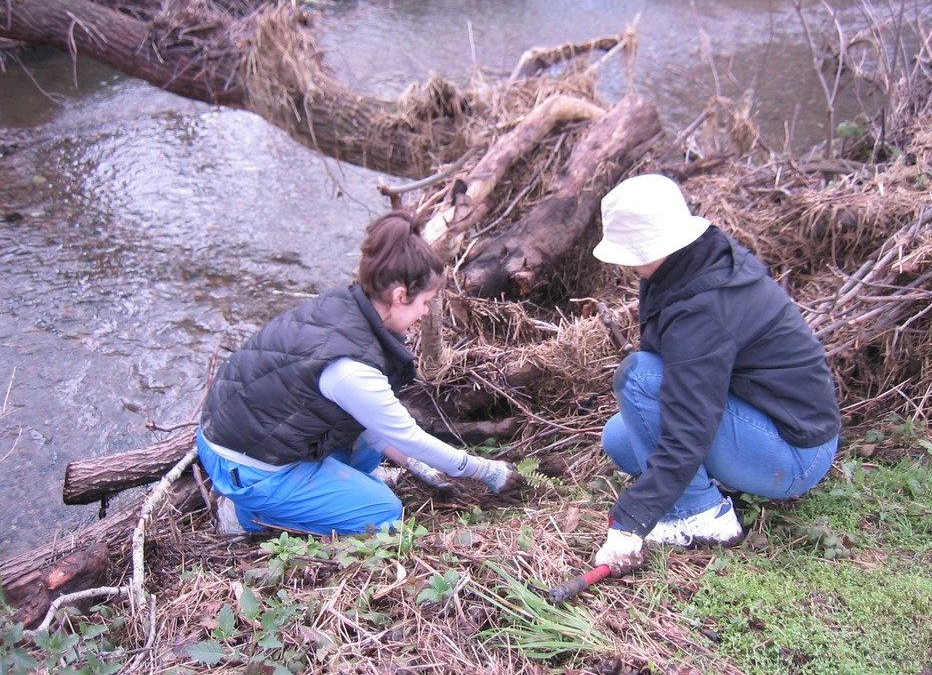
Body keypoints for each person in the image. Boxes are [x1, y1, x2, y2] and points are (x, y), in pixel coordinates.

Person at [196, 210, 519, 536]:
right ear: (400, 296)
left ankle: (321, 490)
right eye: (425, 302)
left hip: (245, 433)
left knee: (366, 446)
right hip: (246, 465)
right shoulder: (351, 368)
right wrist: (485, 470)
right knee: (385, 514)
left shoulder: (345, 305)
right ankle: (245, 517)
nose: (424, 312)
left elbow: (374, 423)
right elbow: (408, 435)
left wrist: (413, 463)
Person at [591, 174, 841, 575]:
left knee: (638, 378)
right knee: (619, 440)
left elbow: (689, 422)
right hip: (764, 419)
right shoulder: (687, 262)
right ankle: (711, 486)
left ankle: (704, 515)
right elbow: (683, 384)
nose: (622, 261)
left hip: (796, 453)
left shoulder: (702, 305)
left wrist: (631, 521)